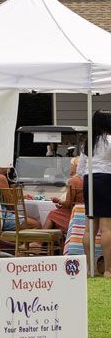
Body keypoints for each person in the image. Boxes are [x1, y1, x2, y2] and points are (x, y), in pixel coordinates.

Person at [83, 110, 111, 278]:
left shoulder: (88, 142)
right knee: (106, 228)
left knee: (89, 228)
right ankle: (108, 270)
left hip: (89, 180)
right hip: (107, 180)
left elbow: (80, 168)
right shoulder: (110, 140)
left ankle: (90, 269)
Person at [45, 157, 83, 238]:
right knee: (58, 216)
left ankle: (39, 242)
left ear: (77, 167)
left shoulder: (73, 181)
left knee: (52, 214)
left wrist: (58, 201)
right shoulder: (87, 179)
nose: (70, 167)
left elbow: (68, 203)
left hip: (74, 215)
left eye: (71, 165)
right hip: (84, 213)